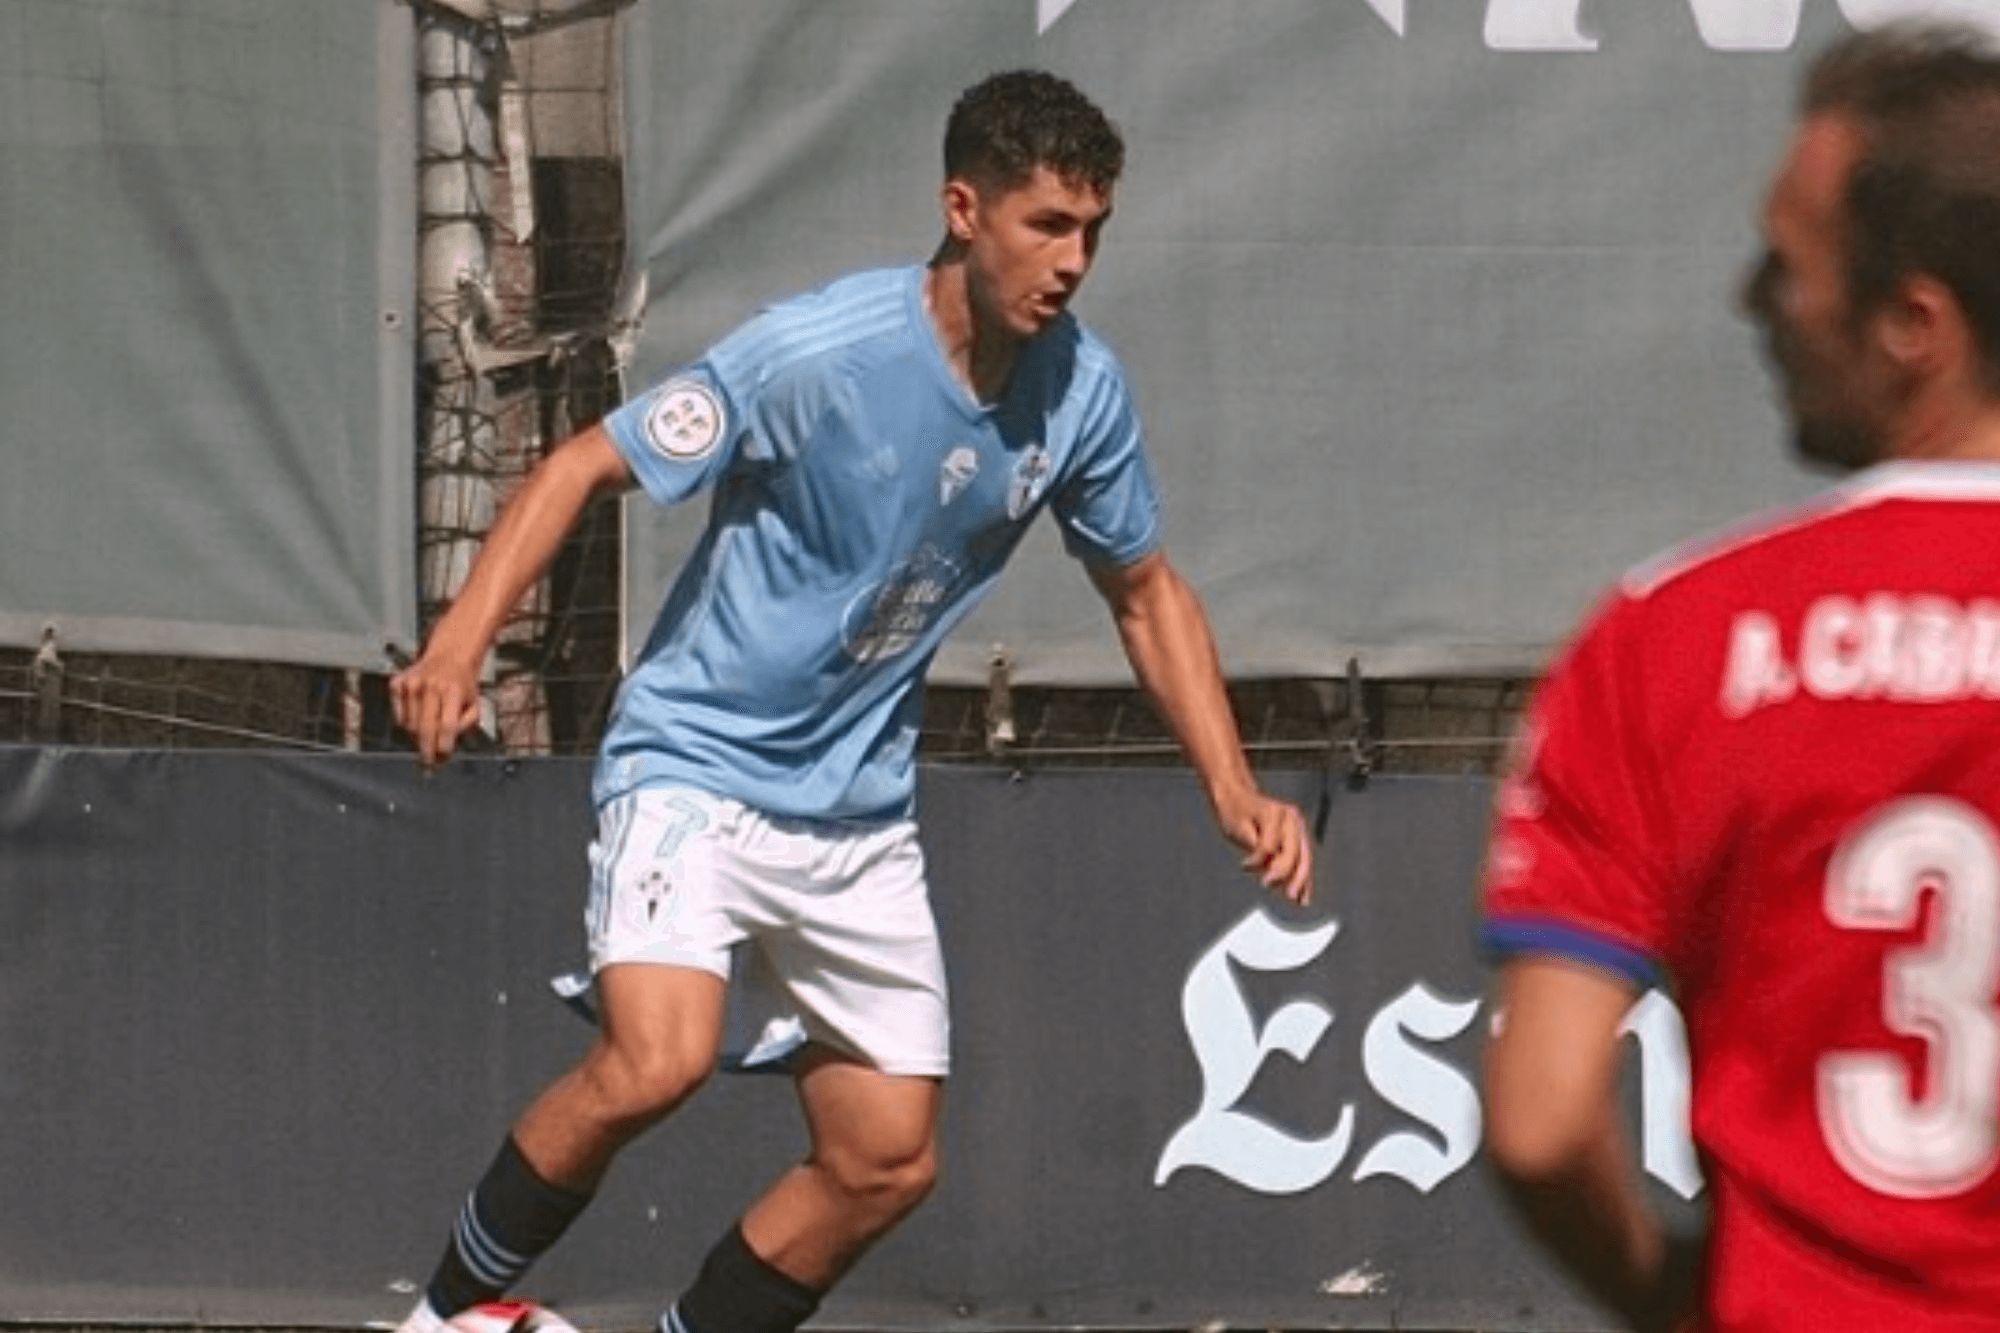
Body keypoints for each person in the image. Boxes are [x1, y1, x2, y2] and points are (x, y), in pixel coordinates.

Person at [389, 69, 1313, 1333]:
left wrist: (1230, 784)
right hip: (695, 767)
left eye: (1092, 230)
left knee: (884, 1159)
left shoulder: (1080, 391)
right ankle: (439, 1319)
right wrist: (457, 647)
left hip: (856, 820)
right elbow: (575, 466)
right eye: (1047, 224)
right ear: (962, 208)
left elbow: (1145, 593)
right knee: (657, 1060)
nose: (1074, 260)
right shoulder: (814, 354)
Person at [1479, 23, 2000, 1332]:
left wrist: (1667, 1304)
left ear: (1914, 325)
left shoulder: (1673, 638)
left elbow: (1541, 1125)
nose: (1750, 303)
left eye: (1787, 269)